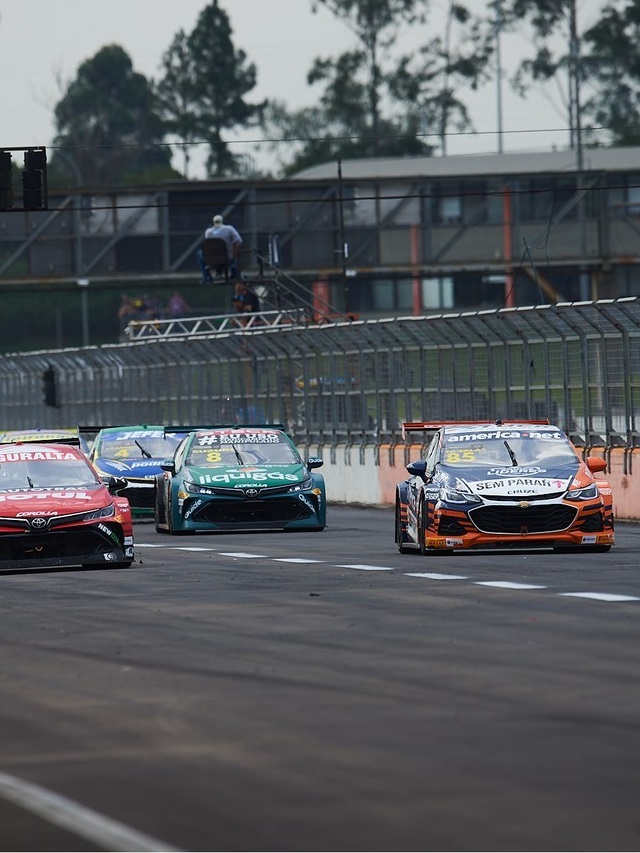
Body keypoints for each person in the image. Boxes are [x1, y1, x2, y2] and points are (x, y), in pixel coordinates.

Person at [197, 214, 243, 284]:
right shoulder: (229, 229)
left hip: (212, 260)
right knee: (235, 250)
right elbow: (239, 241)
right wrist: (234, 253)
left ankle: (207, 278)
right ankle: (234, 275)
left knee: (199, 253)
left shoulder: (208, 232)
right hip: (228, 259)